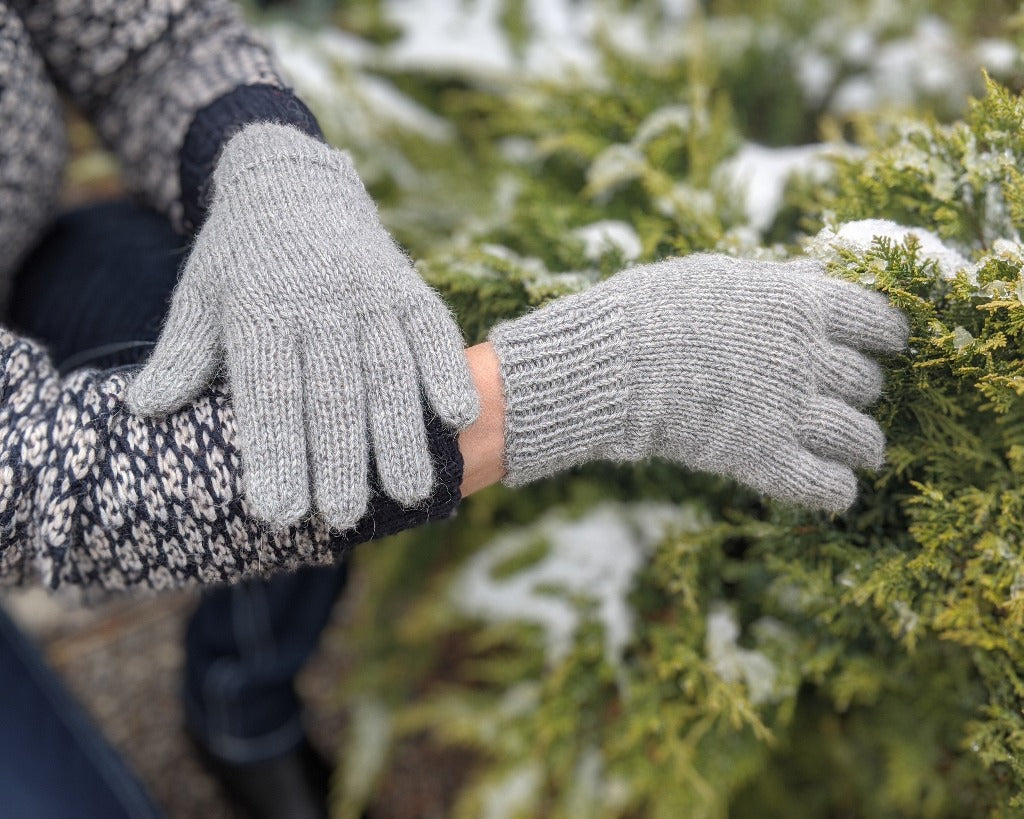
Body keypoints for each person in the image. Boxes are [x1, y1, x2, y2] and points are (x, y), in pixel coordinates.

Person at [0, 2, 907, 816]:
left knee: (314, 349)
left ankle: (238, 707)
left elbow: (149, 42)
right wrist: (606, 375)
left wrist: (257, 152)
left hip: (30, 244)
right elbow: (54, 481)